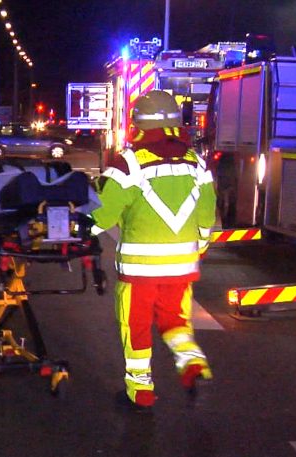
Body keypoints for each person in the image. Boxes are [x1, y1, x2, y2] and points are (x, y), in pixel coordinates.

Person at [91, 90, 216, 412]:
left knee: (136, 326)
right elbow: (206, 216)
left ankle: (140, 392)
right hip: (182, 267)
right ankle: (193, 366)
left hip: (140, 271)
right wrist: (198, 248)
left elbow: (102, 216)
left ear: (137, 123)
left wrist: (71, 232)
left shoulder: (128, 164)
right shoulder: (197, 164)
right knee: (175, 322)